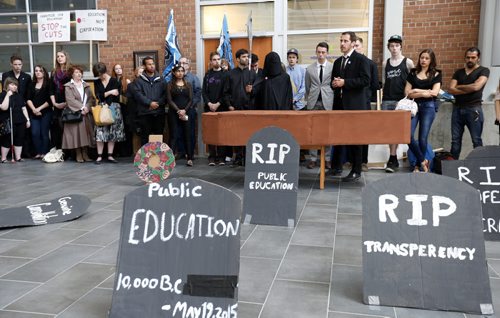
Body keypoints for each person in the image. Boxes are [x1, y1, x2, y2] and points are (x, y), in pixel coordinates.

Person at [331, 31, 371, 182]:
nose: (342, 44)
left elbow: (365, 80)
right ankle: (336, 167)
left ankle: (356, 170)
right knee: (339, 136)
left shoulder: (361, 60)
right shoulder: (337, 62)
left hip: (355, 106)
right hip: (339, 105)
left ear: (353, 43)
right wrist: (335, 84)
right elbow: (333, 84)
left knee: (355, 138)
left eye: (345, 41)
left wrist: (345, 82)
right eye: (341, 41)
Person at [447, 47, 489, 159]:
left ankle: (480, 165)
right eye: (468, 57)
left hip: (474, 109)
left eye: (473, 57)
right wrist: (469, 87)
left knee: (476, 140)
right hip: (457, 109)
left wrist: (458, 87)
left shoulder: (483, 71)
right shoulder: (458, 72)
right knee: (455, 141)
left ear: (478, 58)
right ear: (465, 58)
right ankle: (453, 167)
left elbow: (476, 87)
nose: (470, 60)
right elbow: (450, 89)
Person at [405, 48, 442, 172]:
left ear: (431, 60)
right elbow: (407, 92)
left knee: (422, 138)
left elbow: (435, 93)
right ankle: (422, 160)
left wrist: (416, 91)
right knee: (407, 135)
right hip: (413, 107)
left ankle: (417, 165)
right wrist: (424, 93)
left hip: (428, 107)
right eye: (422, 58)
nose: (423, 60)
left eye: (426, 58)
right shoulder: (413, 72)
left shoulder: (436, 74)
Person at [381, 35, 414, 173]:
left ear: (401, 46)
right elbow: (384, 81)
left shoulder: (408, 62)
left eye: (396, 45)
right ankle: (392, 158)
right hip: (387, 100)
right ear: (389, 47)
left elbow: (413, 81)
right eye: (392, 46)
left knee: (400, 131)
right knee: (389, 131)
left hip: (401, 101)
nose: (394, 48)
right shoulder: (385, 63)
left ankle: (394, 158)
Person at [224, 48, 257, 166]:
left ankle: (248, 157)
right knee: (236, 134)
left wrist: (251, 91)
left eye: (247, 57)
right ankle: (238, 156)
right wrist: (229, 105)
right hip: (235, 109)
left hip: (249, 109)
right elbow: (226, 92)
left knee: (249, 133)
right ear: (237, 59)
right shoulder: (230, 74)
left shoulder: (252, 73)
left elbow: (257, 92)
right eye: (244, 57)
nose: (246, 59)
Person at [305, 42, 333, 169]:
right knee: (312, 132)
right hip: (313, 102)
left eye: (323, 52)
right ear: (316, 53)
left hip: (328, 102)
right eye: (319, 52)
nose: (321, 55)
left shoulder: (332, 67)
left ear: (327, 53)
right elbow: (307, 87)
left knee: (327, 132)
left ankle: (327, 158)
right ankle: (312, 158)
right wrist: (309, 99)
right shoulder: (309, 69)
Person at [353, 37, 380, 172]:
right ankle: (352, 161)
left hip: (364, 102)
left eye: (357, 45)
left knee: (363, 133)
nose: (355, 48)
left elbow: (375, 84)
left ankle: (363, 161)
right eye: (354, 45)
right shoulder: (349, 63)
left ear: (362, 47)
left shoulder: (370, 64)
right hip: (351, 104)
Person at [93, 62, 126, 164]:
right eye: (98, 75)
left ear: (104, 71)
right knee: (100, 132)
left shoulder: (115, 81)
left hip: (113, 108)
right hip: (102, 108)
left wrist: (106, 96)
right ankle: (99, 156)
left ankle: (110, 155)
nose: (100, 76)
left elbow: (116, 96)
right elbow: (98, 96)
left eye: (101, 74)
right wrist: (109, 92)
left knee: (112, 132)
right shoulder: (97, 82)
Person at [62, 65, 95, 163]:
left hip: (86, 114)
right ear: (72, 74)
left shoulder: (86, 85)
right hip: (75, 114)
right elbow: (70, 100)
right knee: (76, 135)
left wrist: (87, 108)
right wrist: (82, 108)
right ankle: (78, 153)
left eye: (80, 72)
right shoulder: (68, 86)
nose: (79, 74)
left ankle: (85, 153)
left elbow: (91, 99)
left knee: (86, 134)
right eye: (76, 72)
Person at [2, 55, 32, 158]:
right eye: (15, 64)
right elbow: (5, 89)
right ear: (11, 64)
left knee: (22, 134)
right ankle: (5, 156)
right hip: (9, 106)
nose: (17, 66)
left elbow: (28, 93)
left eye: (19, 64)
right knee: (8, 134)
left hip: (21, 104)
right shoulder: (6, 75)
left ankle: (23, 154)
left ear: (22, 65)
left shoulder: (27, 76)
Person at [132, 56, 167, 146]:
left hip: (159, 112)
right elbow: (138, 95)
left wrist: (158, 103)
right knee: (145, 137)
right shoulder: (138, 81)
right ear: (144, 66)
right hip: (145, 113)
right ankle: (145, 159)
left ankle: (159, 158)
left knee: (159, 137)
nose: (152, 66)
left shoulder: (161, 79)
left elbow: (165, 94)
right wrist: (149, 103)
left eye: (153, 64)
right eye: (149, 64)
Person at [203, 52, 229, 166]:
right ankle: (212, 157)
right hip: (209, 108)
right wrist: (209, 104)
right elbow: (204, 92)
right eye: (214, 59)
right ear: (211, 61)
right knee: (211, 133)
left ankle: (222, 157)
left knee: (222, 132)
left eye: (218, 59)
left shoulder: (225, 75)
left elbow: (226, 92)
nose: (216, 61)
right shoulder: (207, 75)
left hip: (221, 107)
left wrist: (218, 104)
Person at [166, 64, 194, 166]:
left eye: (182, 71)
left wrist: (184, 111)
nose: (180, 73)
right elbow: (169, 100)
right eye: (178, 71)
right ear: (174, 72)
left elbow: (191, 99)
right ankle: (170, 159)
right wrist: (178, 110)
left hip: (186, 112)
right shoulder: (169, 84)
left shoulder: (188, 84)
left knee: (187, 135)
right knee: (173, 135)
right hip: (173, 113)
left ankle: (189, 158)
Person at [177, 56, 202, 161]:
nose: (182, 65)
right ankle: (181, 152)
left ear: (188, 65)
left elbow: (198, 93)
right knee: (178, 131)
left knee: (190, 132)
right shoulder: (175, 78)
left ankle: (189, 153)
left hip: (190, 110)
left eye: (185, 63)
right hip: (177, 110)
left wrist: (190, 106)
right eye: (181, 63)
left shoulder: (193, 78)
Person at [0, 77, 30, 162]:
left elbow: (23, 108)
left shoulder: (19, 95)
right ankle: (3, 158)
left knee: (19, 138)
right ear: (7, 85)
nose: (15, 86)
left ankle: (18, 157)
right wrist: (7, 95)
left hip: (20, 120)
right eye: (12, 84)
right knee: (7, 139)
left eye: (16, 85)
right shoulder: (2, 95)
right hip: (8, 121)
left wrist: (27, 119)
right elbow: (4, 107)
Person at [27, 65, 52, 159]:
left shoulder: (49, 84)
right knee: (34, 133)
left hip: (46, 112)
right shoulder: (31, 84)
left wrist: (39, 109)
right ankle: (38, 151)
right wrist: (34, 109)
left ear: (44, 72)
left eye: (40, 71)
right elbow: (28, 98)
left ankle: (45, 152)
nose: (38, 72)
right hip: (33, 113)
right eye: (36, 71)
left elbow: (50, 100)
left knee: (44, 133)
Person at [50, 50, 71, 150]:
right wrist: (54, 103)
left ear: (66, 57)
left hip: (68, 102)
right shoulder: (54, 72)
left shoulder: (70, 71)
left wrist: (67, 103)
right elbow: (51, 89)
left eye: (62, 56)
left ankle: (69, 151)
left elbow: (73, 88)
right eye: (58, 56)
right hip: (57, 102)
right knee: (58, 128)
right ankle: (60, 150)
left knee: (68, 128)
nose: (59, 58)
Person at [112, 63, 133, 157]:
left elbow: (129, 96)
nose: (118, 70)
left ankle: (127, 151)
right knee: (116, 129)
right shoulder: (112, 81)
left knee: (126, 128)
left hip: (125, 108)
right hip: (115, 107)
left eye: (120, 68)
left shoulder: (127, 81)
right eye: (116, 69)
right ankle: (117, 151)